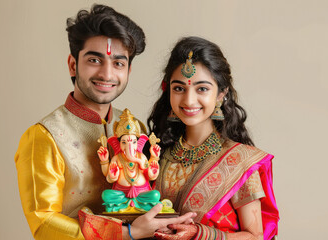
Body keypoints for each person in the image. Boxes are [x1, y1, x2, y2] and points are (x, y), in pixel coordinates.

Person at [14, 5, 195, 240]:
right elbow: (44, 223)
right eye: (94, 60)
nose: (107, 74)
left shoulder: (134, 126)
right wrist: (127, 233)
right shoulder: (44, 135)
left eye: (118, 63)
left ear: (128, 70)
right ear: (72, 64)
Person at [148, 36, 279, 240]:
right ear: (168, 91)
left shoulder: (240, 162)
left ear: (221, 93)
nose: (189, 100)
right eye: (179, 88)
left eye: (202, 89)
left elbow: (255, 236)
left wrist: (200, 234)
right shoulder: (154, 153)